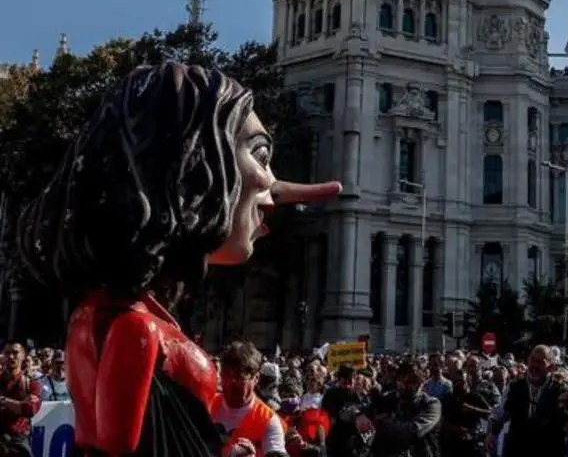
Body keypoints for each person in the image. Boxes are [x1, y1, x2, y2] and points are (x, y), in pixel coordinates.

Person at [17, 62, 341, 455]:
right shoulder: (134, 326)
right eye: (260, 155)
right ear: (195, 164)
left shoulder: (98, 312)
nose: (271, 186)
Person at [212, 342, 288, 457]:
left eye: (239, 376)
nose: (232, 382)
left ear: (256, 378)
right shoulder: (207, 403)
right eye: (226, 375)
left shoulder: (268, 421)